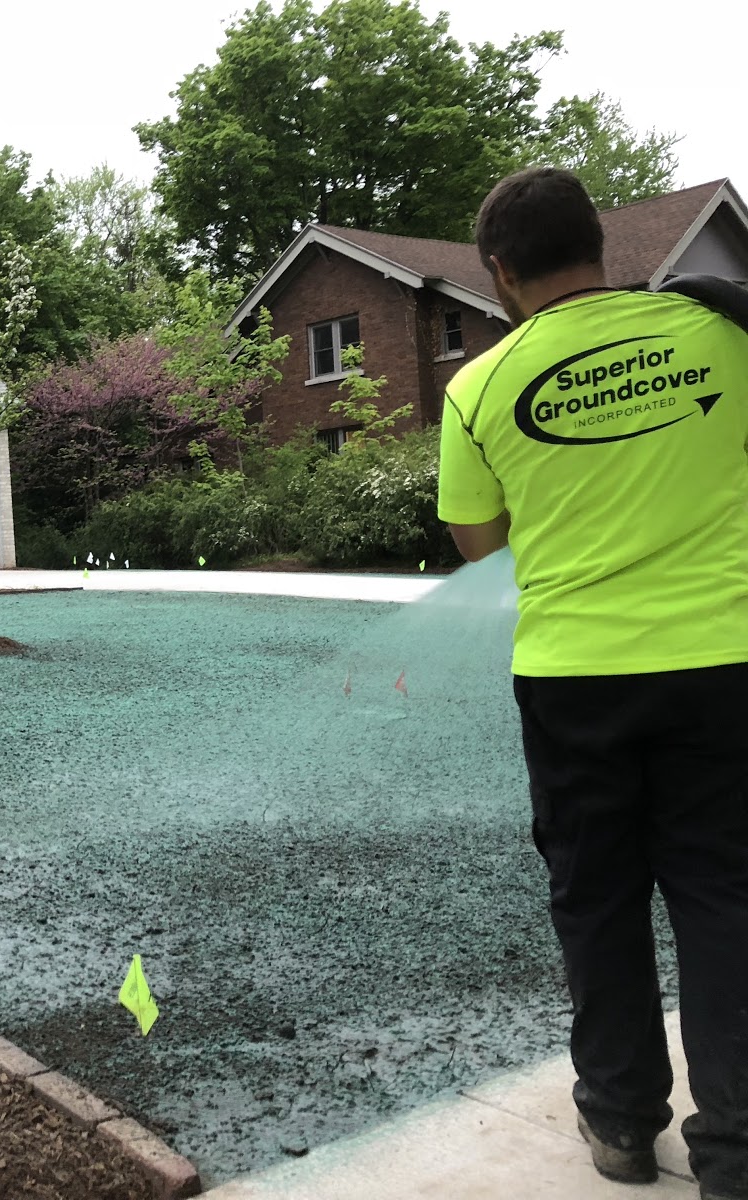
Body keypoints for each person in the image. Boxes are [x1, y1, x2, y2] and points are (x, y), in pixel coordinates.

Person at [437, 166, 748, 1200]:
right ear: (598, 245)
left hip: (573, 680)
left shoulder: (476, 387)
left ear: (498, 273)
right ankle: (737, 1151)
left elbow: (478, 542)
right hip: (724, 664)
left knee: (596, 901)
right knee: (724, 899)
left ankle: (618, 1125)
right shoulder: (722, 335)